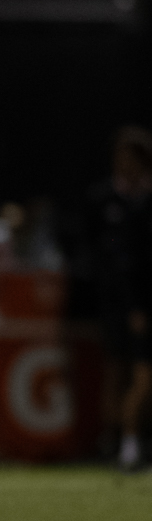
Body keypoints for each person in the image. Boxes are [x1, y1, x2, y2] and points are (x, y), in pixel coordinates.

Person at [84, 126, 152, 470]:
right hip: (119, 300)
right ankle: (117, 439)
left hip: (140, 298)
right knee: (120, 369)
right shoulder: (102, 199)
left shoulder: (145, 202)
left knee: (141, 375)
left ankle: (133, 440)